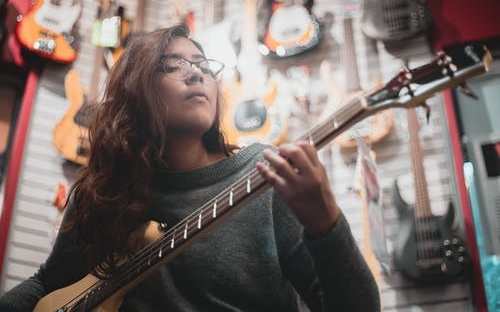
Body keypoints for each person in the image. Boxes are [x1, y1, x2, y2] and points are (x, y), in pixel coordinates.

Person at [0, 25, 380, 311]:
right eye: (172, 65)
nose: (197, 74)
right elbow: (48, 284)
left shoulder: (266, 177)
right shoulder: (100, 193)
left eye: (203, 65)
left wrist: (326, 223)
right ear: (136, 91)